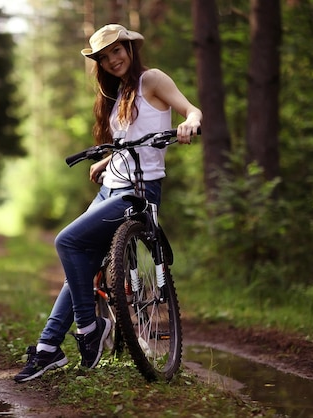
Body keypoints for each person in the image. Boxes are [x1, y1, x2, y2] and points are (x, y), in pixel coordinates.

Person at [14, 23, 202, 383]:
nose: (113, 59)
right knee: (79, 267)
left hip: (139, 191)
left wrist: (189, 124)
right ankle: (48, 349)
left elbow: (191, 110)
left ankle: (89, 327)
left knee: (66, 241)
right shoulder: (118, 93)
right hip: (110, 188)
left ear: (130, 49)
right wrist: (106, 160)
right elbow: (129, 142)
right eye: (104, 56)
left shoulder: (152, 80)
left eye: (117, 50)